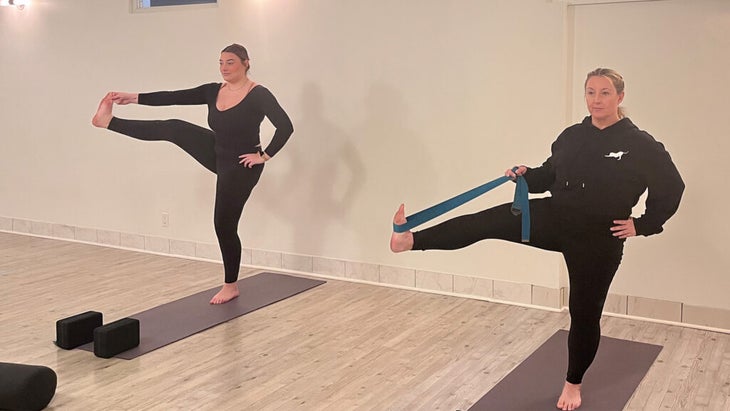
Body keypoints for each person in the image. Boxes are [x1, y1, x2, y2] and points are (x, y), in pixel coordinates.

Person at [390, 68, 684, 410]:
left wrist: (644, 224)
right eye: (590, 92)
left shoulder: (640, 144)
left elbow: (672, 186)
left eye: (605, 93)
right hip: (555, 217)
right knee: (487, 221)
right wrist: (527, 175)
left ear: (620, 97)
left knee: (584, 313)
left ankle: (573, 384)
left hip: (598, 237)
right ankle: (411, 239)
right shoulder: (572, 136)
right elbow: (549, 175)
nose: (596, 100)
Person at [92, 44, 294, 305]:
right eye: (220, 62)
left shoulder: (258, 94)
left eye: (230, 62)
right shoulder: (213, 91)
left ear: (246, 63)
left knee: (223, 224)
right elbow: (173, 96)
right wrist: (134, 97)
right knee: (174, 128)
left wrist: (263, 156)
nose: (224, 68)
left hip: (241, 166)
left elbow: (285, 126)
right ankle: (108, 122)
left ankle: (230, 285)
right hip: (217, 151)